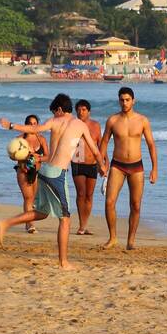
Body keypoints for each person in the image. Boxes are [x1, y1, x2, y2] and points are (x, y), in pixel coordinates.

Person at [0, 93, 102, 270]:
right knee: (65, 218)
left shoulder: (54, 121)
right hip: (56, 174)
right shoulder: (80, 125)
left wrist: (11, 125)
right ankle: (63, 262)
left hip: (44, 171)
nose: (54, 114)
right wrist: (102, 165)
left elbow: (34, 129)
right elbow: (94, 149)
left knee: (43, 212)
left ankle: (5, 223)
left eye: (54, 111)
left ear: (59, 109)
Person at [100, 86, 158, 251]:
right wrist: (102, 162)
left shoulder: (142, 120)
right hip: (117, 165)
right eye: (122, 100)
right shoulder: (112, 120)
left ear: (133, 101)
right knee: (109, 201)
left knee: (136, 205)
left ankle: (131, 240)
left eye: (127, 100)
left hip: (136, 166)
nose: (124, 103)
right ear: (118, 100)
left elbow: (151, 145)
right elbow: (104, 142)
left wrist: (154, 169)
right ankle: (113, 238)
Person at [70, 99, 103, 236]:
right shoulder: (72, 125)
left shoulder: (96, 125)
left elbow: (100, 144)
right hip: (77, 162)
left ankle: (84, 224)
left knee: (89, 195)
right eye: (78, 109)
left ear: (89, 111)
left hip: (93, 164)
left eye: (83, 109)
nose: (80, 112)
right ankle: (81, 225)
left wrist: (104, 162)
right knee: (81, 193)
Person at [14, 114, 48, 234]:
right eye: (30, 124)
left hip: (37, 172)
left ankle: (27, 222)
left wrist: (38, 158)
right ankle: (30, 224)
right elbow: (12, 156)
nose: (33, 126)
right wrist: (25, 156)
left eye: (35, 124)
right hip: (23, 171)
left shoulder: (41, 139)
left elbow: (48, 157)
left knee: (32, 199)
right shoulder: (20, 139)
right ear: (26, 125)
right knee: (28, 198)